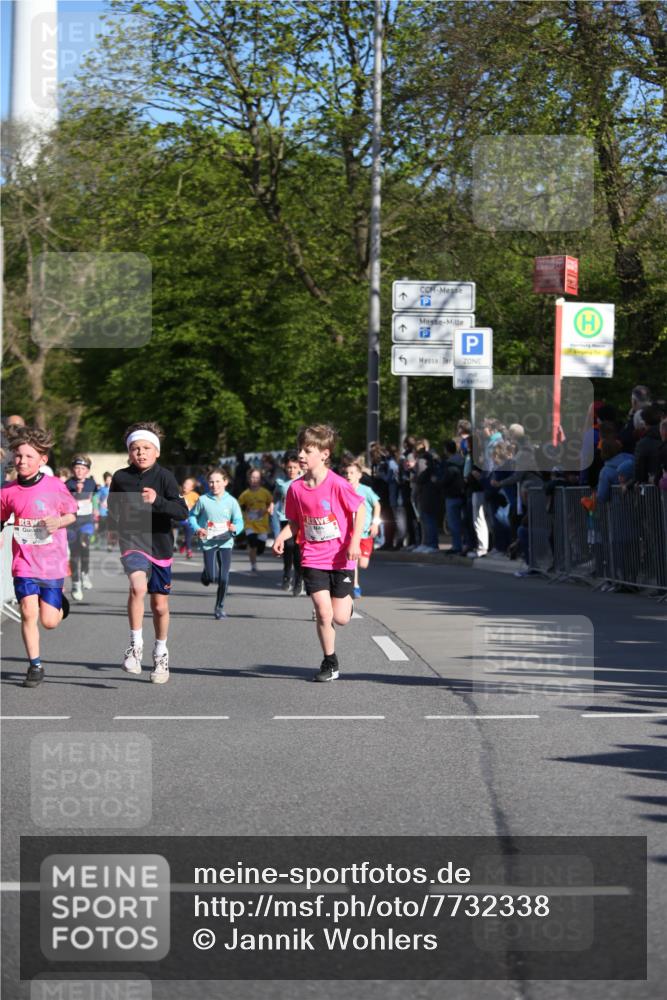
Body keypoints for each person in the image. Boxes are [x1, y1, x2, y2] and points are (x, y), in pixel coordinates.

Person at [274, 424, 364, 683]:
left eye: (307, 450)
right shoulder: (295, 488)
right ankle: (330, 661)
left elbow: (360, 511)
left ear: (324, 454)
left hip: (341, 556)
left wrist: (355, 541)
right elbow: (294, 522)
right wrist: (282, 536)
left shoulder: (337, 483)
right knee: (323, 613)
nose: (301, 455)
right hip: (313, 555)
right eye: (300, 449)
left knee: (341, 618)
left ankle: (347, 603)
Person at [108, 422, 188, 684]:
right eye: (135, 448)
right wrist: (112, 528)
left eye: (146, 448)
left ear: (157, 452)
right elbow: (113, 508)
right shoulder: (121, 478)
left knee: (159, 605)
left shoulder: (165, 477)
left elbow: (181, 512)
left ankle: (161, 652)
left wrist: (158, 501)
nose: (140, 452)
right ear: (129, 453)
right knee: (137, 588)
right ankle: (135, 646)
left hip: (160, 545)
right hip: (133, 540)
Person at [0, 426, 78, 687]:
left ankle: (59, 606)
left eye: (28, 457)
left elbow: (72, 514)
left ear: (42, 460)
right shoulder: (8, 491)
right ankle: (35, 665)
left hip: (52, 562)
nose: (22, 461)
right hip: (24, 562)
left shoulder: (55, 486)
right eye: (18, 456)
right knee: (27, 612)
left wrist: (59, 521)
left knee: (49, 621)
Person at [188, 468, 243, 619]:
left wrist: (235, 528)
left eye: (218, 481)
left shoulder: (231, 501)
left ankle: (219, 607)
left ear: (225, 482)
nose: (214, 485)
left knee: (224, 577)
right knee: (211, 577)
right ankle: (206, 574)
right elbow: (192, 516)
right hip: (208, 542)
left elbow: (239, 521)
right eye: (211, 481)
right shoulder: (203, 500)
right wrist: (198, 528)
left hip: (226, 541)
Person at [342, 457, 381, 597]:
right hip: (350, 532)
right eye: (346, 473)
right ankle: (355, 585)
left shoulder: (366, 490)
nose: (348, 476)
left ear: (359, 475)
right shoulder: (343, 490)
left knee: (363, 564)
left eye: (352, 473)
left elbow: (377, 505)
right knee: (353, 558)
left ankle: (354, 576)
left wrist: (375, 523)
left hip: (365, 532)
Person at [65, 455, 98, 601]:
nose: (79, 471)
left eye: (82, 468)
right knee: (74, 554)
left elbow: (95, 497)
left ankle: (85, 573)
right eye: (77, 468)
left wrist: (96, 508)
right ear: (73, 469)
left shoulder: (91, 483)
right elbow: (63, 503)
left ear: (87, 470)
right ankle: (76, 583)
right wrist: (75, 493)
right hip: (72, 523)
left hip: (87, 522)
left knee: (85, 545)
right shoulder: (67, 484)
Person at [273, 451, 303, 592]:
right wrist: (272, 504)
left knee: (298, 550)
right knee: (288, 547)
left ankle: (298, 579)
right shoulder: (281, 482)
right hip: (285, 518)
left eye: (295, 467)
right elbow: (277, 494)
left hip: (300, 520)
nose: (292, 470)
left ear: (300, 467)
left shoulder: (304, 480)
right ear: (285, 467)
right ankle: (286, 574)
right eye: (289, 467)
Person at [238, 468, 274, 573]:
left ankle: (257, 552)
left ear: (260, 480)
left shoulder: (265, 492)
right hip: (250, 523)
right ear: (249, 479)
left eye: (257, 478)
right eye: (252, 477)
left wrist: (267, 509)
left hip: (262, 524)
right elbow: (239, 505)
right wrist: (246, 509)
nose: (254, 480)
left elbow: (271, 502)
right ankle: (253, 564)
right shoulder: (245, 494)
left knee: (261, 548)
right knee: (252, 543)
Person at [177, 476, 200, 558]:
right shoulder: (178, 494)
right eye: (184, 483)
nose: (185, 485)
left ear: (192, 488)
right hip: (178, 518)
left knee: (190, 531)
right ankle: (189, 550)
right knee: (188, 527)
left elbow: (200, 506)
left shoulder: (194, 495)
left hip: (189, 519)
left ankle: (185, 544)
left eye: (188, 484)